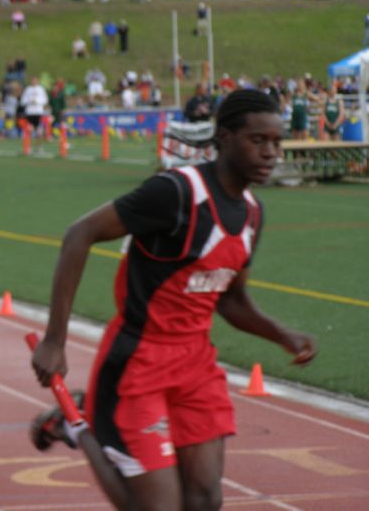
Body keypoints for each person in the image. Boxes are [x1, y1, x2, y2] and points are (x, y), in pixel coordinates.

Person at [30, 88, 317, 511]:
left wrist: (282, 335)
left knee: (204, 499)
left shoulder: (252, 213)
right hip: (138, 361)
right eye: (258, 141)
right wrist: (55, 340)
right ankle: (76, 426)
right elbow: (79, 233)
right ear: (223, 138)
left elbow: (232, 301)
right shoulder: (176, 192)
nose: (271, 152)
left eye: (277, 142)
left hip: (196, 365)